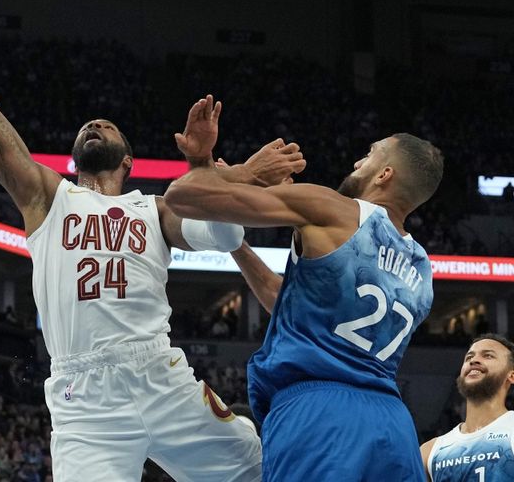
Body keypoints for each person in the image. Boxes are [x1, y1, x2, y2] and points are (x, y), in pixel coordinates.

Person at [0, 0, 306, 481]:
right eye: (87, 126)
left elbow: (221, 232)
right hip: (84, 403)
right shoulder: (46, 197)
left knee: (266, 471)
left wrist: (210, 169)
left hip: (160, 375)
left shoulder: (153, 209)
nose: (93, 125)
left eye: (104, 125)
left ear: (128, 160)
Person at [165, 95, 444, 481]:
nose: (358, 161)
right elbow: (290, 302)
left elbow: (182, 197)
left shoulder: (332, 207)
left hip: (318, 414)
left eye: (370, 154)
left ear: (384, 175)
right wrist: (238, 247)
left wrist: (228, 168)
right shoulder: (422, 268)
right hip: (392, 425)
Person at [420, 334, 514, 481]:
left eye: (488, 356)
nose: (474, 360)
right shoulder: (429, 451)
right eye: (469, 357)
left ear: (511, 376)